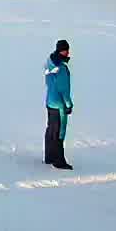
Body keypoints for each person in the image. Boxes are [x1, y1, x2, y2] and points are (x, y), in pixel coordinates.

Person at [44, 38, 72, 170]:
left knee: (51, 129)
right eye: (66, 50)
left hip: (50, 101)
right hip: (59, 104)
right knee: (60, 132)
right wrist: (68, 104)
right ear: (63, 51)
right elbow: (64, 89)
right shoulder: (61, 69)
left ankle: (49, 157)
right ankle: (59, 160)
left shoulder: (49, 63)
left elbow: (49, 83)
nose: (68, 53)